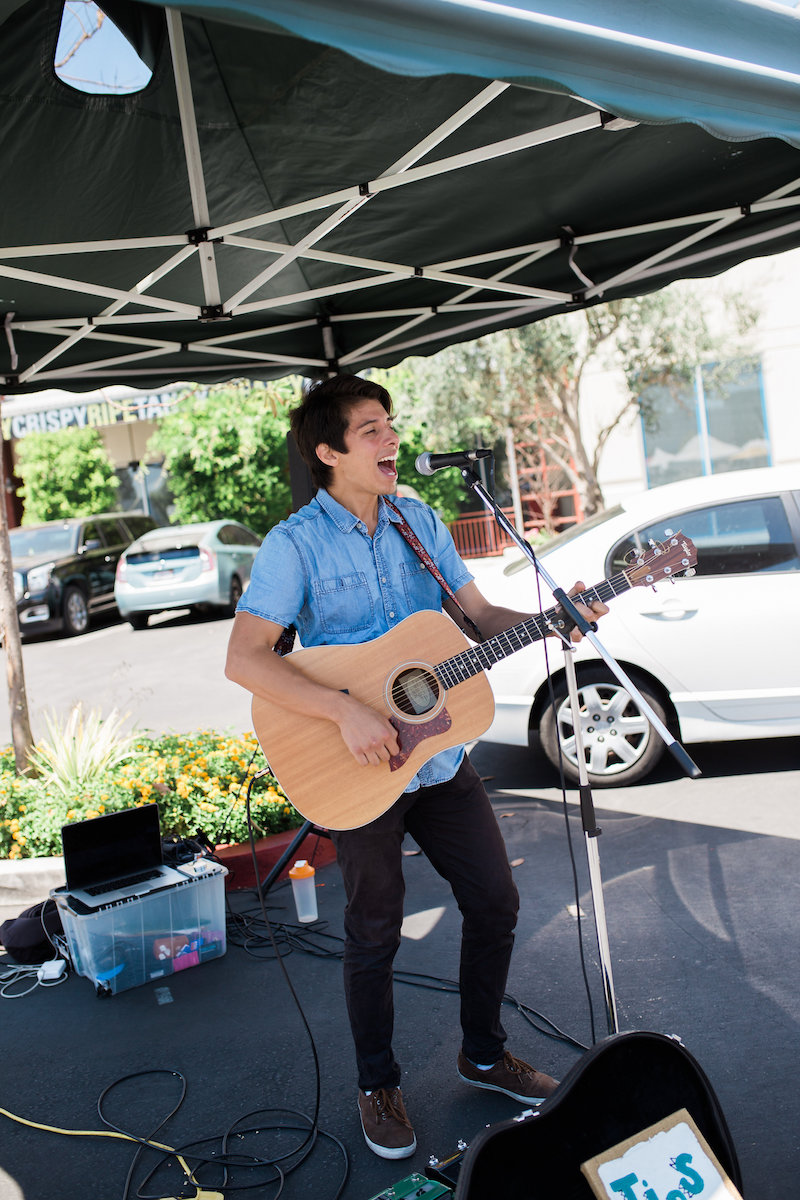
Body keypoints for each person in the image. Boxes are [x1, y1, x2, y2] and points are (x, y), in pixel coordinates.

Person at [225, 373, 608, 1161]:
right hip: (355, 765)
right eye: (371, 430)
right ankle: (377, 1083)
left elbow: (474, 619)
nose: (391, 439)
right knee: (373, 930)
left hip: (435, 758)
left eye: (390, 424)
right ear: (330, 452)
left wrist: (551, 620)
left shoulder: (419, 519)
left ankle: (483, 1050)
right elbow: (246, 660)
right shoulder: (293, 544)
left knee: (496, 900)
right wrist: (346, 709)